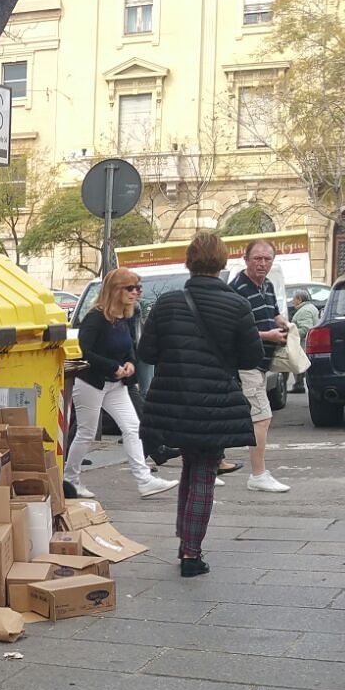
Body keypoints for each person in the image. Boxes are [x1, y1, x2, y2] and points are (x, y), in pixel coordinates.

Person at [138, 232, 264, 577]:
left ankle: (186, 543)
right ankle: (191, 554)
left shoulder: (167, 303)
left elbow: (147, 352)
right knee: (204, 473)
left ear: (188, 261)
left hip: (173, 401)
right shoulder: (237, 305)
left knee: (190, 468)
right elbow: (251, 358)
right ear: (222, 262)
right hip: (215, 404)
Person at [65, 268, 178, 499]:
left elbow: (128, 348)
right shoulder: (96, 317)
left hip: (116, 384)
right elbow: (84, 351)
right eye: (130, 288)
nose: (135, 293)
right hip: (91, 382)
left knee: (133, 427)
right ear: (114, 290)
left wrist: (130, 363)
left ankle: (144, 480)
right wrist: (112, 367)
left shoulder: (124, 317)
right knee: (86, 432)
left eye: (138, 288)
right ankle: (70, 479)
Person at [229, 239, 292, 493]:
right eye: (257, 258)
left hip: (263, 363)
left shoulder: (267, 285)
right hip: (247, 363)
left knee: (234, 416)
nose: (262, 263)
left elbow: (272, 312)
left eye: (267, 259)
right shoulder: (237, 290)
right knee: (262, 418)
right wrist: (268, 336)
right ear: (245, 259)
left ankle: (210, 465)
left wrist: (282, 322)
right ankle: (258, 474)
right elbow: (234, 331)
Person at [288, 290, 320, 393]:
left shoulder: (304, 311)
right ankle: (299, 384)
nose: (292, 301)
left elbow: (306, 329)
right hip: (310, 344)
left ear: (299, 299)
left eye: (294, 299)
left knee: (297, 362)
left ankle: (299, 384)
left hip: (304, 344)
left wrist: (290, 334)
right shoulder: (310, 308)